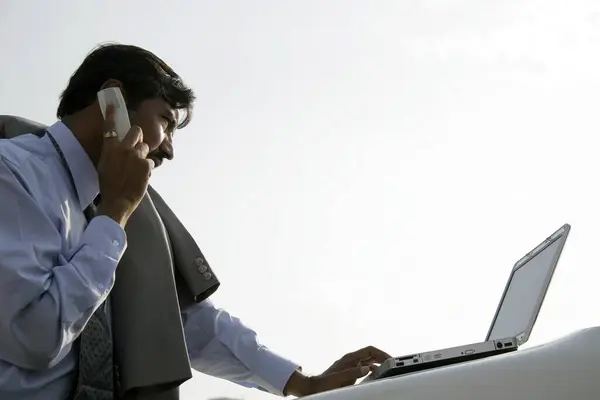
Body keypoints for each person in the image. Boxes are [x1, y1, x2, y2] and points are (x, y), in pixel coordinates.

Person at [0, 43, 390, 400]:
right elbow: (36, 334)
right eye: (166, 121)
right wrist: (114, 214)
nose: (168, 147)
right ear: (112, 103)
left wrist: (300, 383)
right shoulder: (13, 173)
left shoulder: (118, 209)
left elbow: (178, 323)